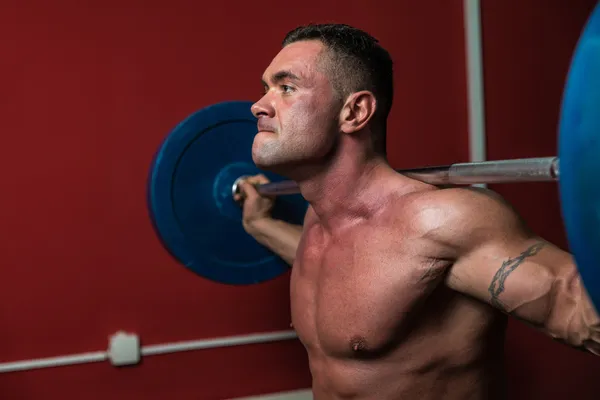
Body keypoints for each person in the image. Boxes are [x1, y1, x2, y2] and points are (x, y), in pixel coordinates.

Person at [234, 23, 600, 399]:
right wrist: (260, 223)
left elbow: (574, 308)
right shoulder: (320, 222)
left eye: (286, 88)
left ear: (355, 112)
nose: (259, 105)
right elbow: (344, 266)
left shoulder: (442, 222)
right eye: (266, 89)